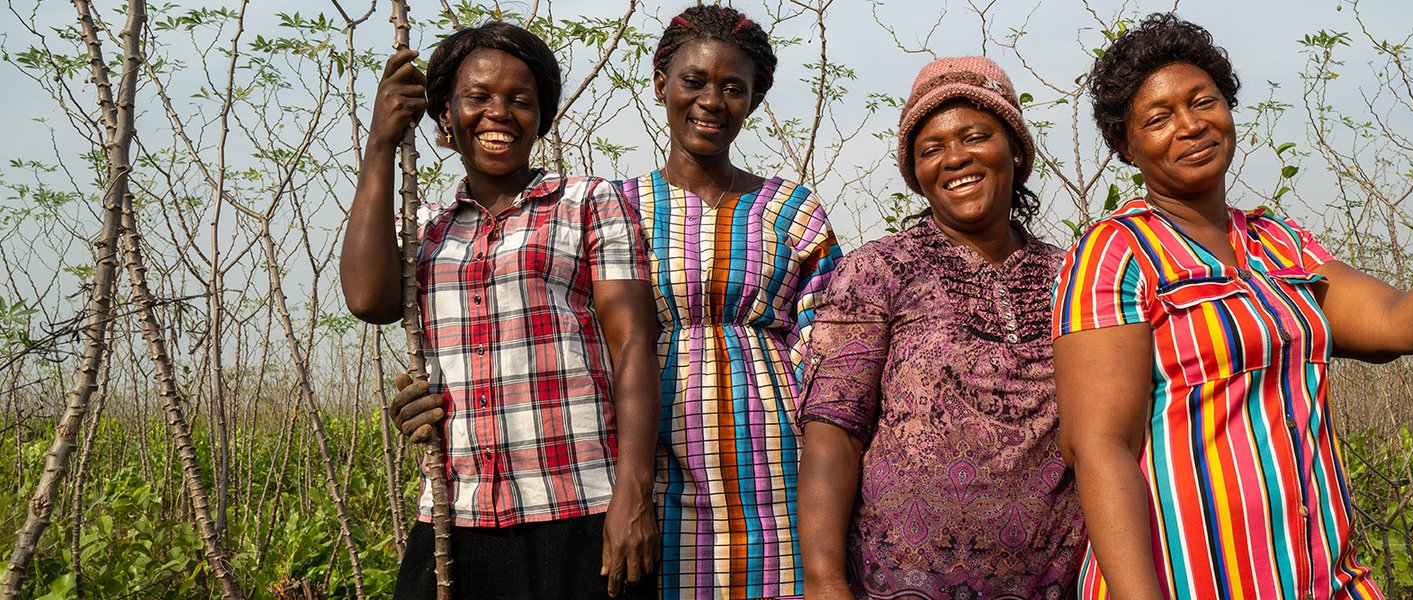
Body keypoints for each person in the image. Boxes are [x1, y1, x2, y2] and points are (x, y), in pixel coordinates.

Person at [1053, 13, 1413, 600]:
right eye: (1158, 118)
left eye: (1205, 102)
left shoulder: (1280, 241)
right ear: (1126, 145)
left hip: (1320, 578)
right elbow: (1098, 446)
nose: (1191, 125)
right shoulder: (1114, 254)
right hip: (1190, 582)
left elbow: (1394, 321)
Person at [339, 21, 661, 599]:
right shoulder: (424, 229)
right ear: (443, 118)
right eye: (478, 97)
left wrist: (633, 495)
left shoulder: (591, 203)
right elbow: (369, 299)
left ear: (542, 118)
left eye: (521, 101)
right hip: (456, 515)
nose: (500, 113)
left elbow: (633, 344)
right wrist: (381, 142)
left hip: (581, 505)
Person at [796, 56, 1085, 599]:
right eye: (931, 149)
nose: (955, 159)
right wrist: (824, 579)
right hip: (900, 579)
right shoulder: (876, 269)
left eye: (975, 136)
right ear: (916, 172)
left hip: (1057, 579)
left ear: (1015, 148)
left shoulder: (1074, 274)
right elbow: (833, 430)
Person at [610, 5, 841, 597]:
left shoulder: (793, 209)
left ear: (754, 102)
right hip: (649, 469)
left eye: (734, 88)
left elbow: (831, 352)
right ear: (662, 84)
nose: (712, 101)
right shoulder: (613, 208)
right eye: (694, 81)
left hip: (778, 470)